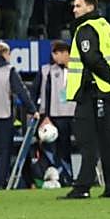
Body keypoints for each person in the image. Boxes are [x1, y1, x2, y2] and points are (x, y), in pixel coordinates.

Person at [63, 0, 110, 199]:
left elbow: (91, 58)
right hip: (107, 93)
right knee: (107, 140)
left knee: (87, 140)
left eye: (78, 6)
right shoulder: (108, 28)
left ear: (90, 7)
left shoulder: (86, 29)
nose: (74, 10)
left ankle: (83, 186)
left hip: (93, 91)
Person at [0, 40, 38, 189]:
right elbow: (21, 92)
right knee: (4, 153)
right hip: (4, 116)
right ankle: (1, 183)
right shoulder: (9, 70)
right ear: (4, 53)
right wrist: (32, 110)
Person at [34, 40, 75, 185]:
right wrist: (46, 117)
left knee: (76, 147)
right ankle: (63, 177)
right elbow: (47, 94)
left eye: (57, 53)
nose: (54, 57)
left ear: (66, 53)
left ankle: (81, 177)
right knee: (58, 148)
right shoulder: (51, 71)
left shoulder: (77, 69)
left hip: (75, 114)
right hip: (57, 115)